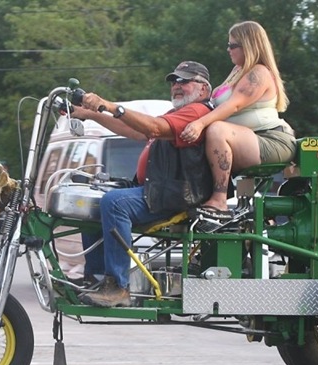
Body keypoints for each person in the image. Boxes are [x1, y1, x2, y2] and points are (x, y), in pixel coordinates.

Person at [69, 61, 213, 308]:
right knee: (91, 201)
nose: (177, 86)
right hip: (157, 190)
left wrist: (108, 105)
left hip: (175, 195)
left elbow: (153, 128)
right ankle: (97, 279)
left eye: (184, 81)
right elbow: (137, 131)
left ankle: (117, 287)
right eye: (174, 81)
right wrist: (90, 114)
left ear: (203, 89)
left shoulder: (197, 112)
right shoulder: (176, 114)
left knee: (115, 203)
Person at [181, 21, 296, 221]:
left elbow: (233, 105)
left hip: (271, 140)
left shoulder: (258, 73)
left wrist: (200, 123)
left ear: (249, 45)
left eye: (233, 45)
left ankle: (219, 200)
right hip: (249, 140)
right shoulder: (237, 71)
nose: (228, 50)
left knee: (217, 130)